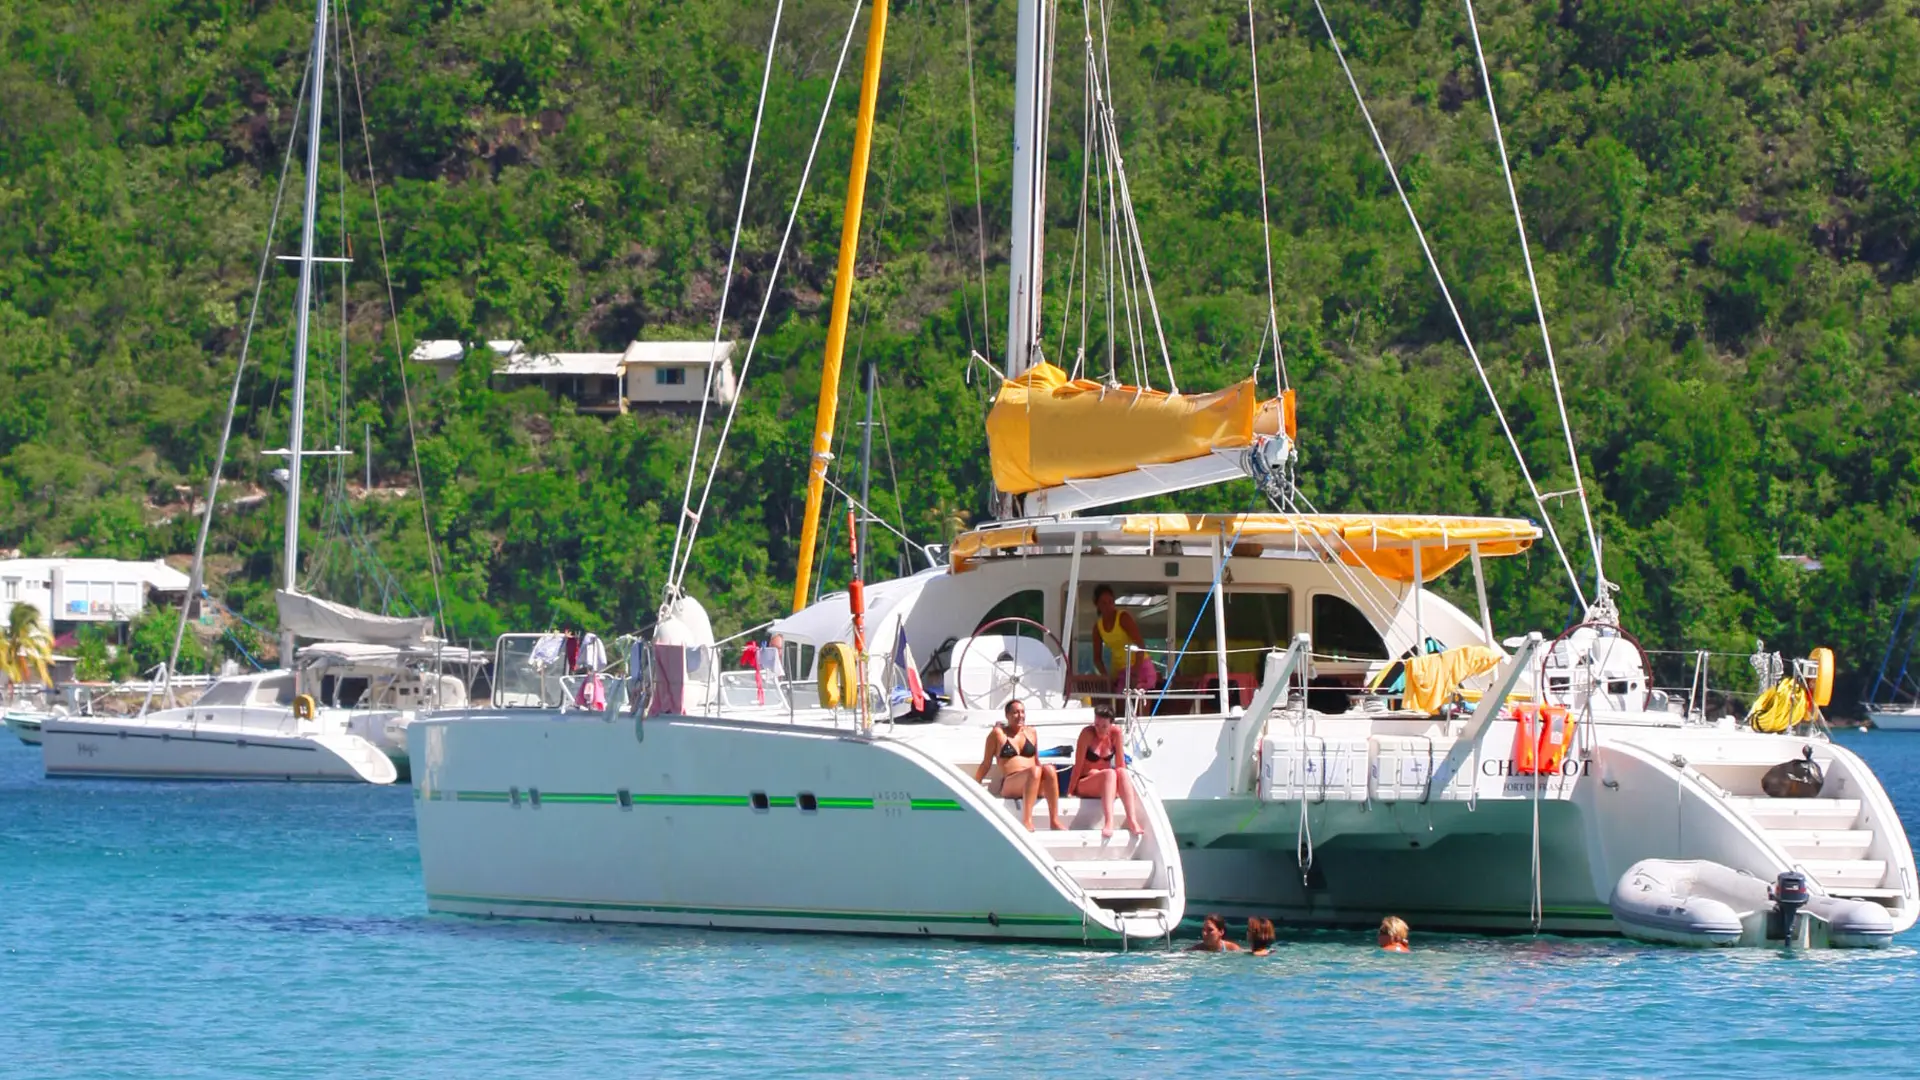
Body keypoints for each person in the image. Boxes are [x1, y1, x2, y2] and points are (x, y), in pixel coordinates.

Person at [974, 699, 1066, 832]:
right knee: (1034, 772)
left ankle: (1054, 820)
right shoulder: (997, 734)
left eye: (1022, 712)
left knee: (1049, 769)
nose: (1020, 715)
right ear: (1007, 715)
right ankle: (1027, 820)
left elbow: (1037, 761)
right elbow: (986, 763)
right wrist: (975, 784)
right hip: (1011, 783)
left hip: (1033, 780)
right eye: (1015, 712)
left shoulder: (1032, 732)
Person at [1071, 704, 1143, 839]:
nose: (1098, 729)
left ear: (1111, 724)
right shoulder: (1087, 734)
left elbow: (1121, 763)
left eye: (1103, 726)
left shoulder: (1116, 733)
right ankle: (1109, 821)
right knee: (1110, 773)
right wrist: (1071, 790)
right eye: (1096, 724)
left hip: (1107, 784)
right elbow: (1078, 765)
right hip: (1086, 782)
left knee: (1121, 771)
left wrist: (1125, 786)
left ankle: (1132, 820)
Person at [1091, 584, 1155, 693]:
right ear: (1097, 605)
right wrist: (1106, 677)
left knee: (1140, 704)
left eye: (1111, 602)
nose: (1108, 606)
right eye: (1104, 603)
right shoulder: (1098, 628)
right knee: (1120, 705)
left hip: (1140, 666)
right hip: (1120, 670)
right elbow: (1097, 658)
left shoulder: (1123, 618)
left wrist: (1135, 672)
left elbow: (1140, 645)